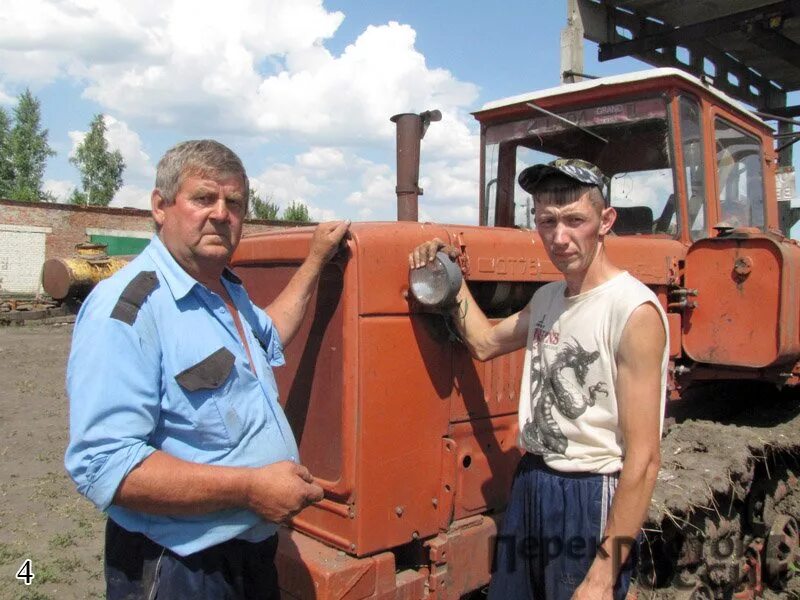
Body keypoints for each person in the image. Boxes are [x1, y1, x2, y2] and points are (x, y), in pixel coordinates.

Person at [65, 139, 350, 599]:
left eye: (234, 203)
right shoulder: (130, 311)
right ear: (161, 207)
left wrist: (315, 260)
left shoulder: (225, 292)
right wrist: (250, 489)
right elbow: (103, 465)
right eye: (204, 198)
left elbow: (271, 333)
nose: (221, 213)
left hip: (250, 554)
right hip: (179, 566)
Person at [409, 158, 667, 600]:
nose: (559, 237)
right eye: (547, 221)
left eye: (575, 221)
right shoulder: (549, 297)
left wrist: (603, 576)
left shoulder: (632, 311)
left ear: (606, 221)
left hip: (589, 493)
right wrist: (447, 271)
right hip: (533, 480)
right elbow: (486, 342)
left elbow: (643, 462)